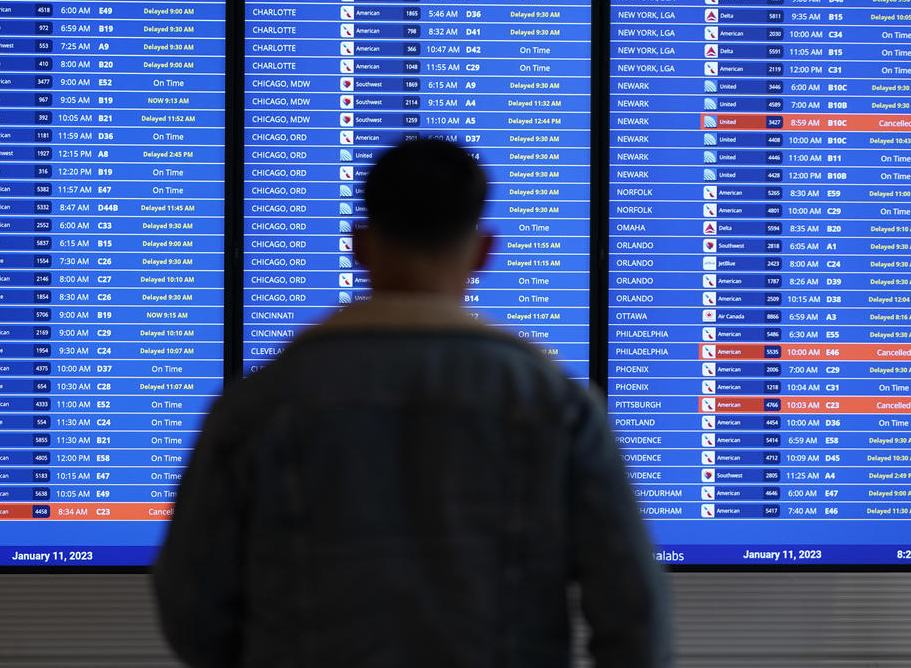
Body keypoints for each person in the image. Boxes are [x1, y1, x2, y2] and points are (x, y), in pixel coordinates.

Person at [153, 138, 672, 667]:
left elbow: (192, 612)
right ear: (484, 251)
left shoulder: (256, 407)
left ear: (359, 244)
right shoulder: (555, 405)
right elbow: (635, 617)